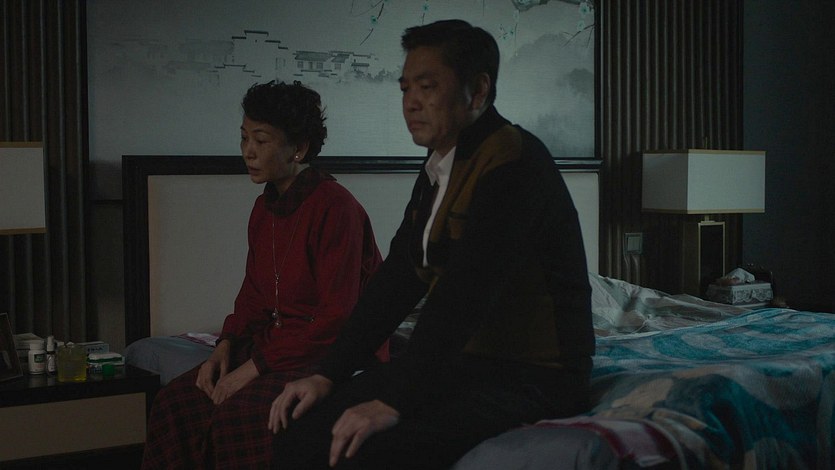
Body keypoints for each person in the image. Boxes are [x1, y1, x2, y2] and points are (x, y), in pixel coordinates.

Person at [268, 20, 595, 470]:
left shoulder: (514, 161)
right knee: (303, 425)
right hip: (467, 365)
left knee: (364, 447)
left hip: (534, 376)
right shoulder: (441, 164)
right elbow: (399, 278)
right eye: (405, 89)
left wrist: (395, 400)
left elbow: (464, 293)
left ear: (478, 91)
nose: (411, 103)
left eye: (427, 87)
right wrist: (328, 373)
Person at [141, 80, 385, 469]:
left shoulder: (336, 207)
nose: (248, 151)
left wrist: (251, 369)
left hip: (327, 348)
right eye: (244, 138)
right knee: (176, 402)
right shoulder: (264, 208)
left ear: (298, 149)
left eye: (261, 140)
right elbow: (253, 296)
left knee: (238, 414)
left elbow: (336, 318)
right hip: (277, 344)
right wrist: (225, 346)